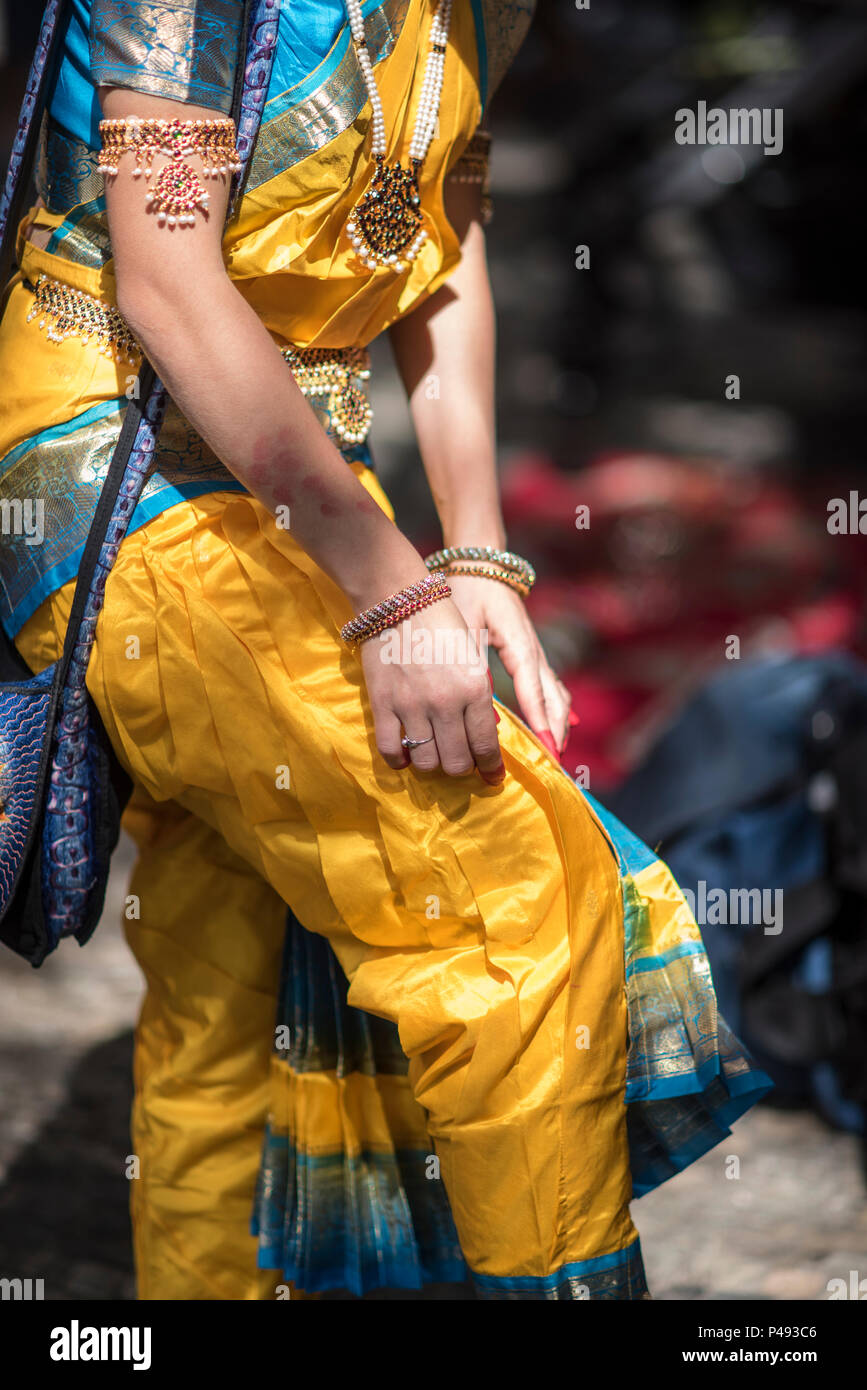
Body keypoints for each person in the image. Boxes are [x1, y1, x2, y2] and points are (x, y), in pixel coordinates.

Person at [0, 0, 771, 1300]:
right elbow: (168, 283)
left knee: (233, 967)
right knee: (504, 881)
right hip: (109, 460)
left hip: (301, 478)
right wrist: (392, 589)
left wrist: (472, 555)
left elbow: (442, 231)